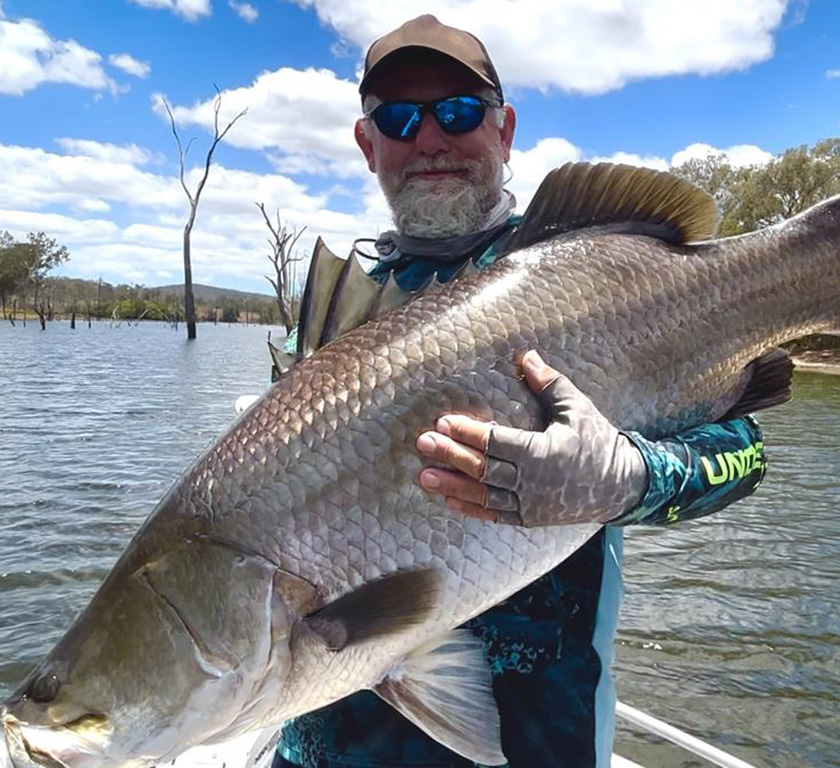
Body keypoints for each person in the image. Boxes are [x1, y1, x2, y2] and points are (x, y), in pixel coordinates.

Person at [273, 15, 767, 768]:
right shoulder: (340, 319)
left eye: (459, 112)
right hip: (322, 748)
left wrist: (629, 477)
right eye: (400, 119)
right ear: (368, 145)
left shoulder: (599, 272)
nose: (430, 138)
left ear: (504, 130)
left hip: (532, 747)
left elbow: (744, 453)